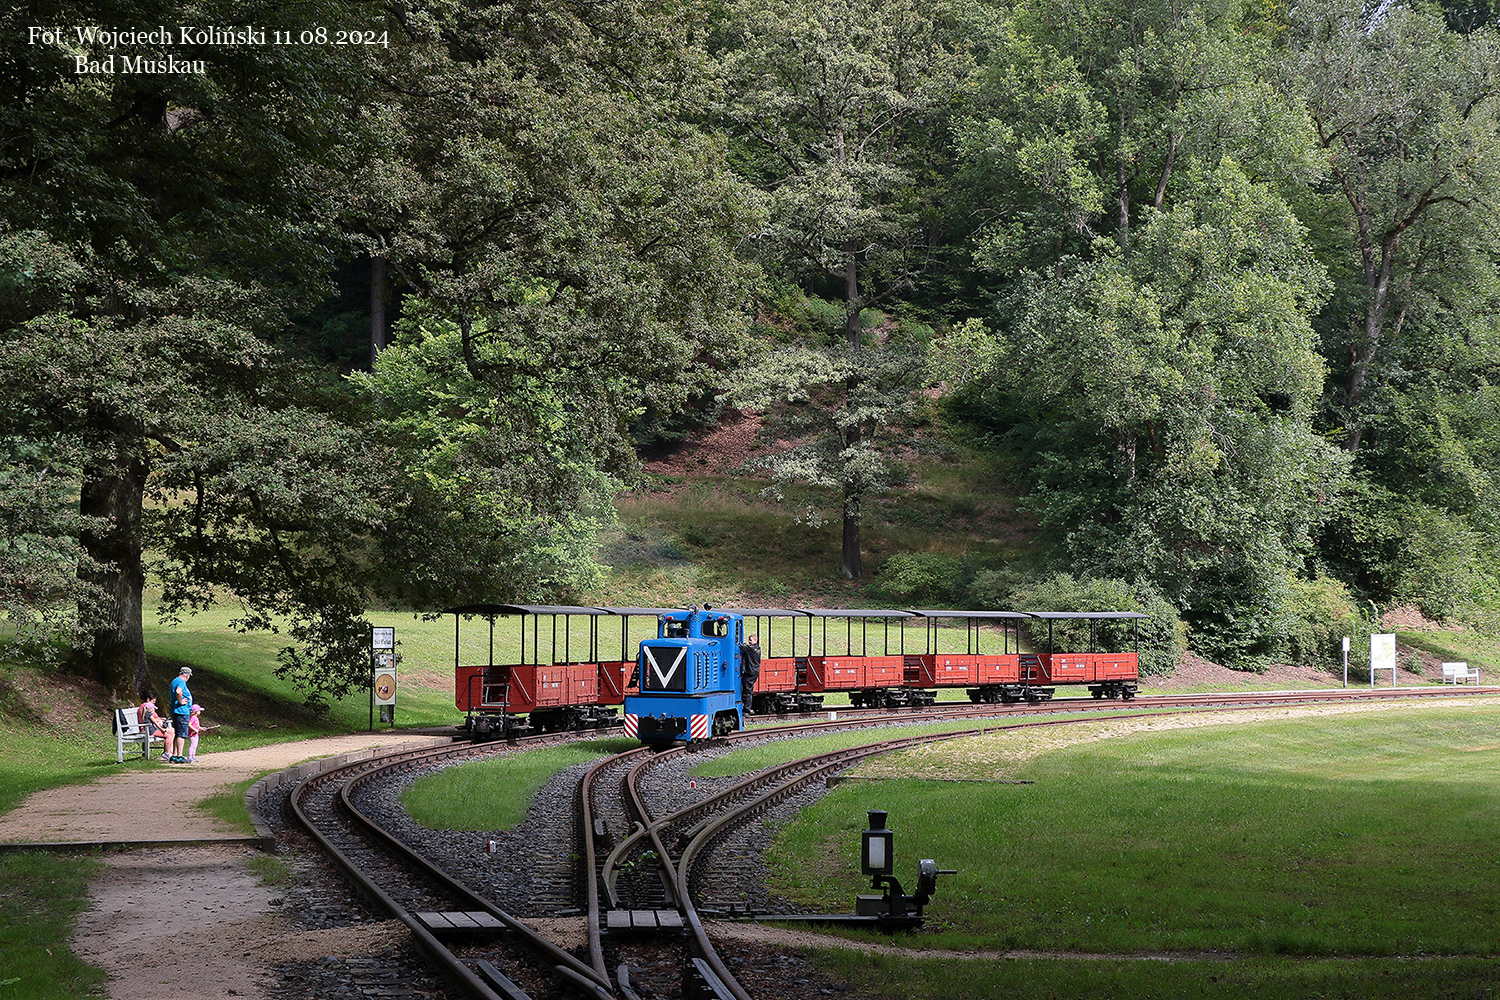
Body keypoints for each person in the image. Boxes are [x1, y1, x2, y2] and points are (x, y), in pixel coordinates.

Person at [167, 667, 194, 763]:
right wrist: (181, 701)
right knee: (182, 734)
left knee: (177, 733)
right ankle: (180, 756)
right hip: (181, 711)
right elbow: (179, 691)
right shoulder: (181, 682)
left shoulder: (175, 680)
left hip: (177, 711)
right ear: (187, 675)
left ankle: (174, 755)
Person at [138, 691, 172, 759]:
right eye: (153, 701)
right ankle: (167, 753)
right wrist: (160, 723)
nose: (154, 704)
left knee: (172, 731)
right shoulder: (145, 708)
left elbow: (153, 718)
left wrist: (160, 719)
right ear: (148, 699)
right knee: (170, 733)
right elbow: (148, 720)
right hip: (149, 728)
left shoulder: (147, 709)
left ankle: (170, 752)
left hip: (152, 727)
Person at [739, 633, 762, 712]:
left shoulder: (751, 649)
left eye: (750, 640)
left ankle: (747, 709)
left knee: (747, 691)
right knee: (747, 690)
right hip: (753, 671)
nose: (749, 642)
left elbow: (741, 647)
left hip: (750, 672)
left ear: (755, 640)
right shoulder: (757, 648)